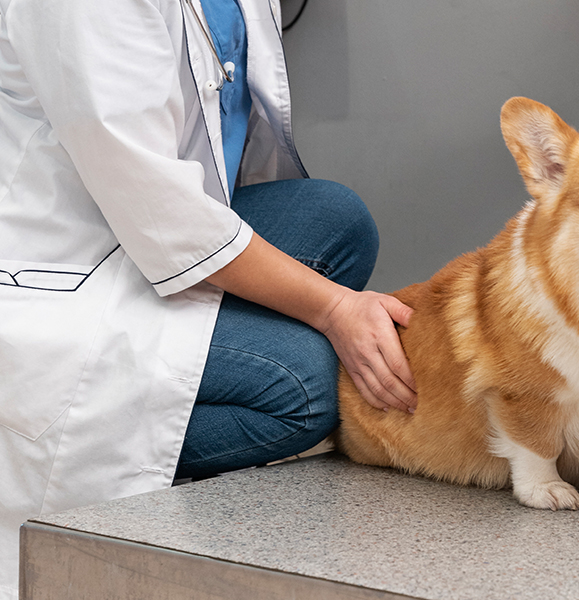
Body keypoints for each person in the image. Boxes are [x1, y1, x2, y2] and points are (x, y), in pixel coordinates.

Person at [0, 0, 416, 596]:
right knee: (306, 386)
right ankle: (125, 476)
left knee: (337, 219)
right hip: (56, 276)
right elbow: (160, 211)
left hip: (137, 234)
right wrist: (331, 309)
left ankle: (194, 374)